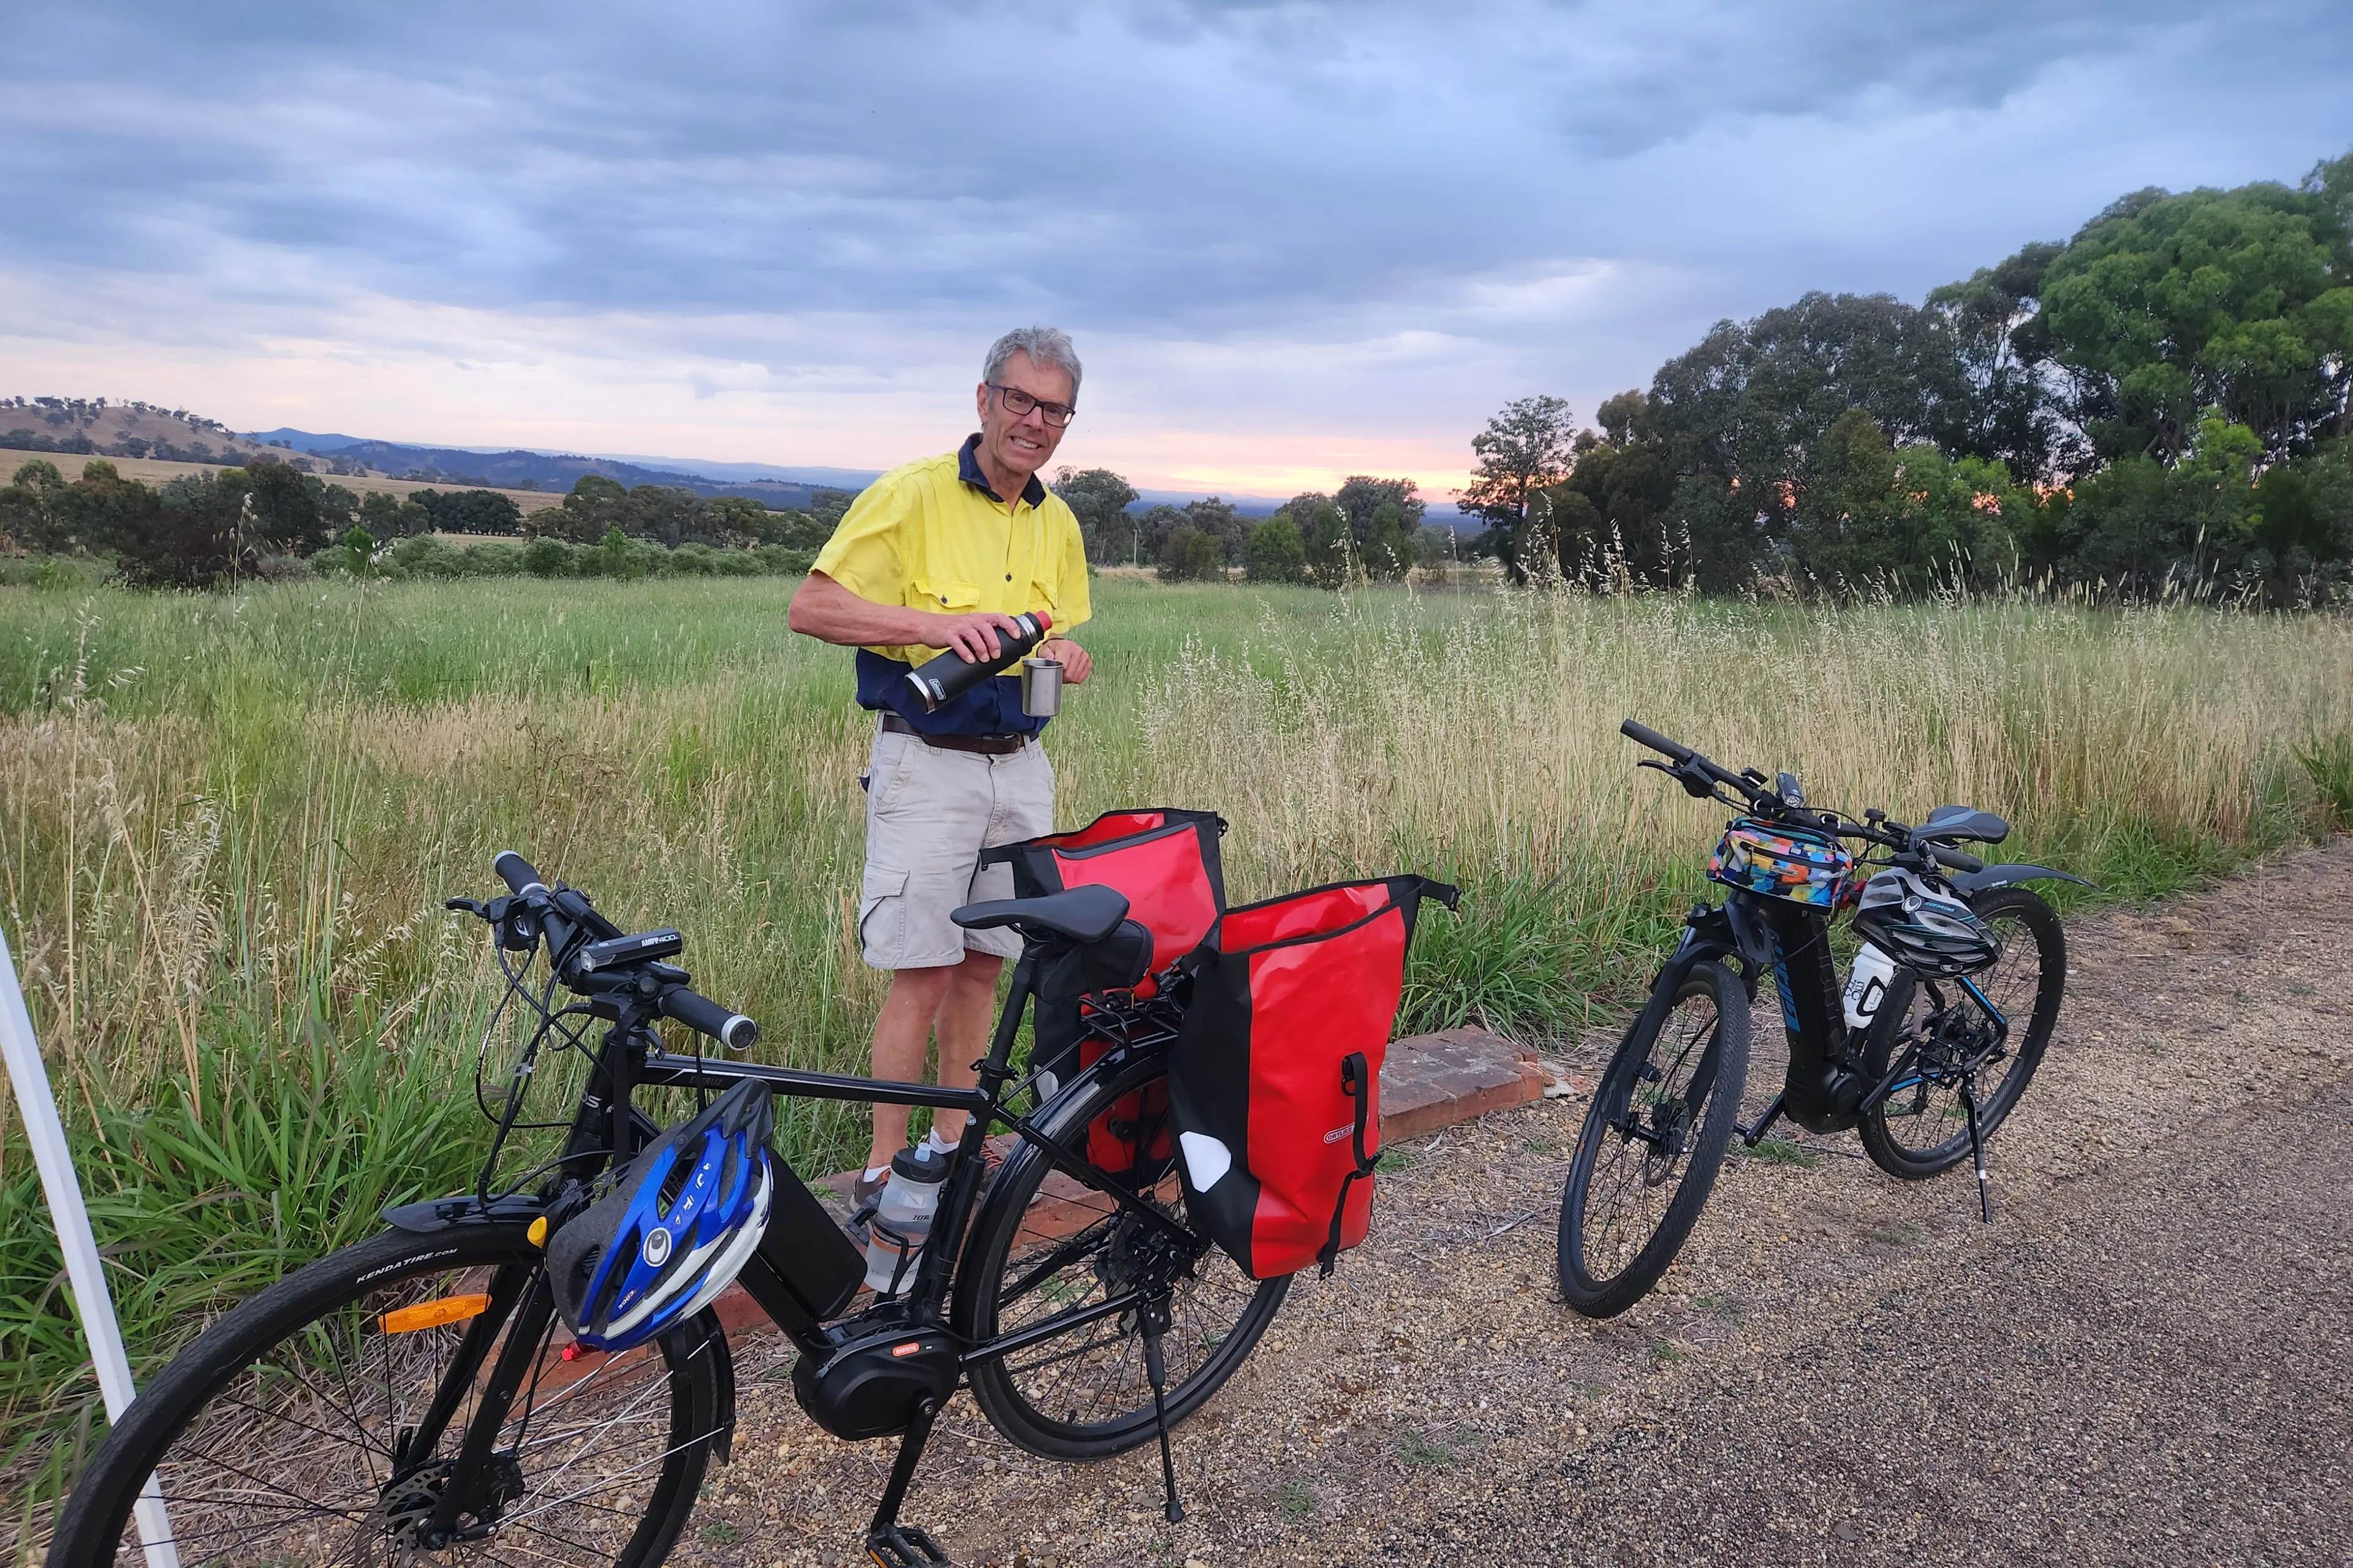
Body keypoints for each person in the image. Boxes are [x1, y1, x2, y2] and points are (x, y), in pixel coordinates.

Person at [787, 325, 1094, 1226]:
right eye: (1019, 400)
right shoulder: (911, 495)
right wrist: (928, 626)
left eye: (1054, 409)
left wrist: (1066, 652)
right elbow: (811, 606)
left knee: (980, 970)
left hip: (1021, 769)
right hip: (927, 764)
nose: (1034, 422)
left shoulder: (1058, 520)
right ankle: (886, 1170)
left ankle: (956, 1153)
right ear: (984, 398)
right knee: (919, 970)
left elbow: (1052, 626)